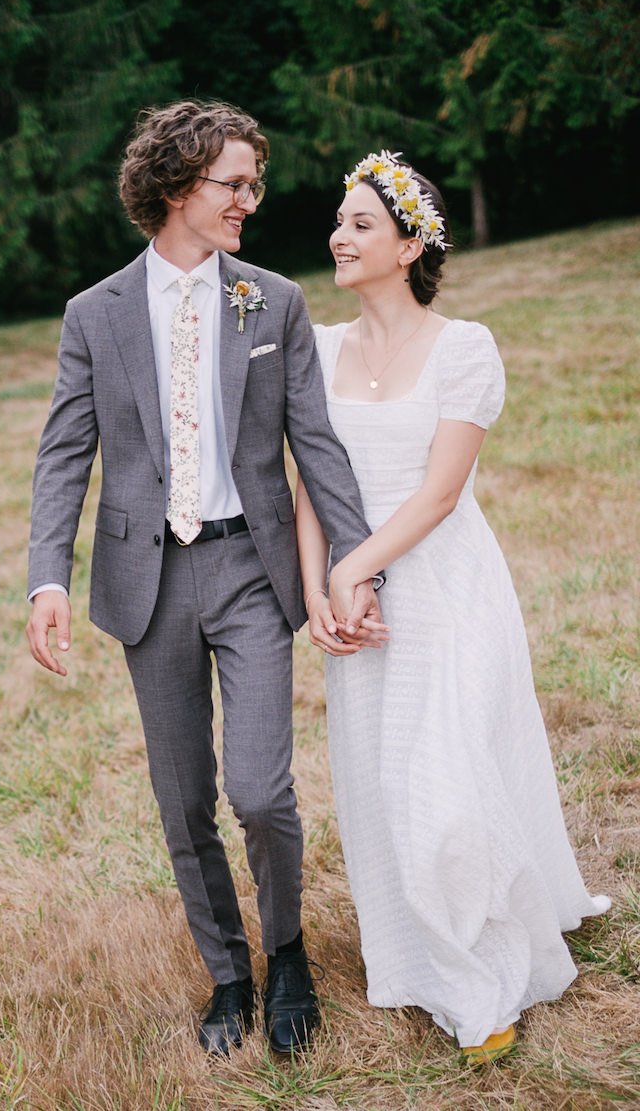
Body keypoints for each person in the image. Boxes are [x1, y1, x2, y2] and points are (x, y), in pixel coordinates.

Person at [25, 100, 386, 1056]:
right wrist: (46, 578)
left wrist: (355, 567)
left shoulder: (272, 300)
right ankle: (229, 973)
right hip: (147, 585)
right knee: (183, 800)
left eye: (252, 184)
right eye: (235, 184)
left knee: (261, 791)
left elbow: (317, 445)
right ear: (180, 187)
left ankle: (290, 955)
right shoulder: (93, 315)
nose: (249, 202)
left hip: (250, 570)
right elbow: (65, 454)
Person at [298, 151, 609, 1062]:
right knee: (384, 784)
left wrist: (357, 570)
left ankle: (482, 981)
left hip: (447, 586)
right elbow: (310, 486)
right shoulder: (316, 349)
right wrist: (323, 591)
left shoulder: (465, 347)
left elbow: (438, 495)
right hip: (357, 598)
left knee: (447, 781)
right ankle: (422, 948)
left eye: (359, 223)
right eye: (339, 221)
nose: (338, 237)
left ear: (409, 244)